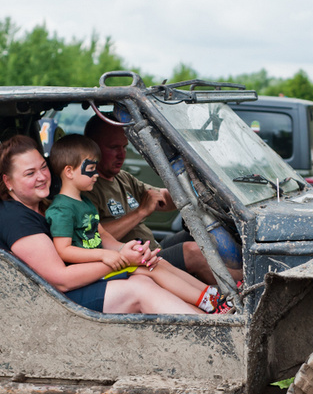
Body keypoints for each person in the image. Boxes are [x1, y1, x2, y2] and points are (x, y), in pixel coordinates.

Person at [0, 134, 203, 315]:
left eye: (43, 167)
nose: (42, 177)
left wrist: (126, 250)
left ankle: (213, 312)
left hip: (74, 287)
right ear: (8, 182)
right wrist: (122, 260)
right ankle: (209, 332)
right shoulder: (13, 217)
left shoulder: (47, 204)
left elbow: (101, 236)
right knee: (140, 289)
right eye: (30, 173)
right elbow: (61, 280)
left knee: (150, 266)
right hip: (51, 303)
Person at [44, 134, 231, 313]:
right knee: (149, 268)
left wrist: (127, 249)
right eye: (91, 169)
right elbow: (64, 250)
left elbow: (104, 236)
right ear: (69, 171)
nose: (95, 174)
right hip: (90, 272)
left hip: (102, 261)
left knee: (155, 260)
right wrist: (104, 255)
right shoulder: (61, 209)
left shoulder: (84, 203)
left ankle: (214, 296)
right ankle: (210, 303)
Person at [83, 115, 243, 285]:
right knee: (192, 252)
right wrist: (141, 212)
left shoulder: (122, 178)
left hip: (153, 250)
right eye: (114, 147)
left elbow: (162, 199)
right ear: (93, 148)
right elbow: (94, 238)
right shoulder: (88, 189)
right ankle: (246, 294)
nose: (121, 155)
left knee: (200, 234)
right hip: (133, 263)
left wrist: (194, 189)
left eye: (124, 147)